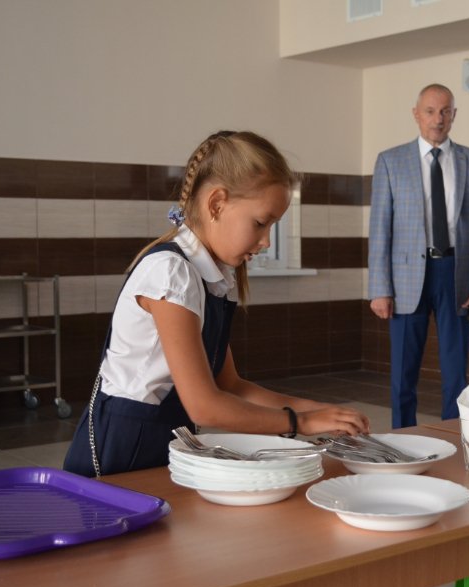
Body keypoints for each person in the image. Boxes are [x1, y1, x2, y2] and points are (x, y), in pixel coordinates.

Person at [64, 131, 370, 477]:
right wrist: (301, 422)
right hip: (119, 452)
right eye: (260, 223)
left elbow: (232, 385)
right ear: (216, 204)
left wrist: (321, 412)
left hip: (162, 442)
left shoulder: (210, 278)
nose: (266, 241)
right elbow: (204, 406)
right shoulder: (171, 274)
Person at [368, 83, 469, 428]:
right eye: (430, 111)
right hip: (406, 278)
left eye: (445, 111)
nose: (437, 119)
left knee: (456, 372)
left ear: (454, 115)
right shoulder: (390, 161)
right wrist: (379, 288)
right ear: (416, 114)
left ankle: (455, 438)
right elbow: (380, 228)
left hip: (457, 275)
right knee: (403, 372)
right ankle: (402, 439)